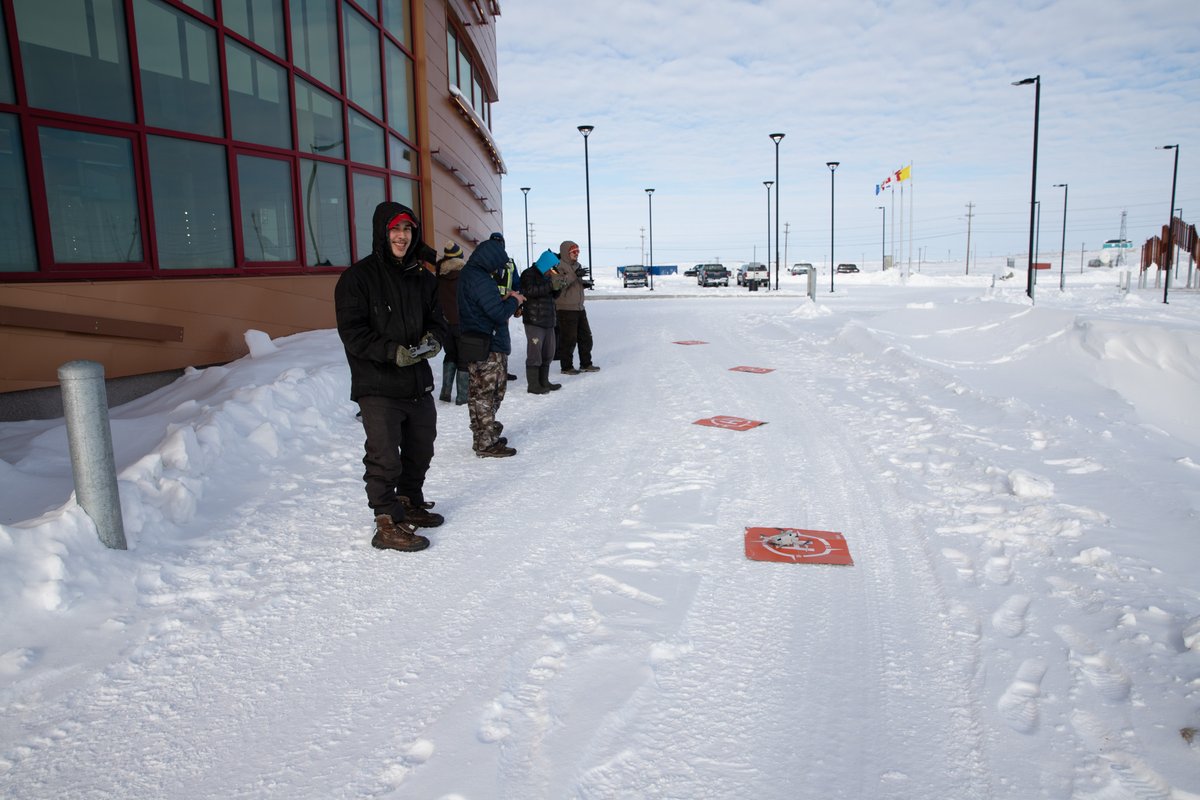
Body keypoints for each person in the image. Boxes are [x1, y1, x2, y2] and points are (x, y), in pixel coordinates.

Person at [334, 201, 448, 552]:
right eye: (396, 229)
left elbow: (437, 320)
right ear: (383, 233)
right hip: (378, 385)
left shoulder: (422, 278)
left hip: (417, 382)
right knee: (384, 456)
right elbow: (353, 332)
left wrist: (433, 340)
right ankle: (386, 521)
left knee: (421, 448)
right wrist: (391, 352)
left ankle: (410, 500)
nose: (402, 236)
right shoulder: (358, 278)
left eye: (408, 230)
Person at [457, 233, 524, 457]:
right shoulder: (481, 279)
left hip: (476, 342)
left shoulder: (469, 275)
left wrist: (502, 299)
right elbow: (496, 313)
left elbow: (482, 307)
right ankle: (486, 442)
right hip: (489, 344)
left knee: (478, 394)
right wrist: (514, 300)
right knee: (490, 394)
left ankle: (484, 436)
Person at [520, 248, 564, 394]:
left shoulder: (550, 274)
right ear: (545, 264)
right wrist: (551, 285)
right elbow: (530, 291)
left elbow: (553, 296)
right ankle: (533, 385)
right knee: (535, 353)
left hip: (549, 320)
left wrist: (558, 287)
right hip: (534, 320)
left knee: (548, 353)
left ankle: (544, 381)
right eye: (551, 266)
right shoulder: (528, 274)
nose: (553, 270)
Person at [554, 240, 600, 374]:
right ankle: (566, 366)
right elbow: (558, 285)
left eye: (578, 251)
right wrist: (575, 275)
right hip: (565, 309)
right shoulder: (558, 266)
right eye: (573, 251)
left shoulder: (576, 266)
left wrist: (583, 283)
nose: (576, 254)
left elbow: (573, 283)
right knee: (569, 339)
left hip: (579, 308)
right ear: (565, 253)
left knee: (586, 337)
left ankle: (586, 363)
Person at [435, 241, 469, 405]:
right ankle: (462, 396)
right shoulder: (464, 275)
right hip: (462, 322)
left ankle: (445, 392)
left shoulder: (440, 275)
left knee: (450, 355)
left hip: (445, 323)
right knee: (464, 358)